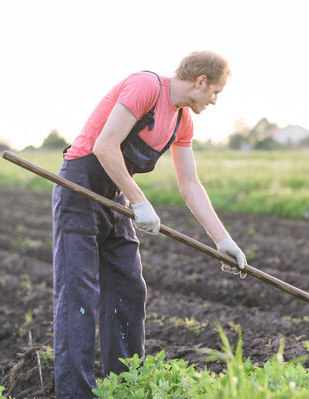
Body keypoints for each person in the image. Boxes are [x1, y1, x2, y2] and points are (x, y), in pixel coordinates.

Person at [51, 50, 247, 398]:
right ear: (200, 82)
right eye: (216, 92)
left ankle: (126, 387)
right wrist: (140, 201)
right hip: (79, 189)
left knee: (129, 289)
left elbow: (190, 184)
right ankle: (75, 393)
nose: (215, 101)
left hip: (115, 196)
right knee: (78, 297)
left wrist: (223, 241)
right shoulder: (146, 87)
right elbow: (105, 146)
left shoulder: (182, 120)